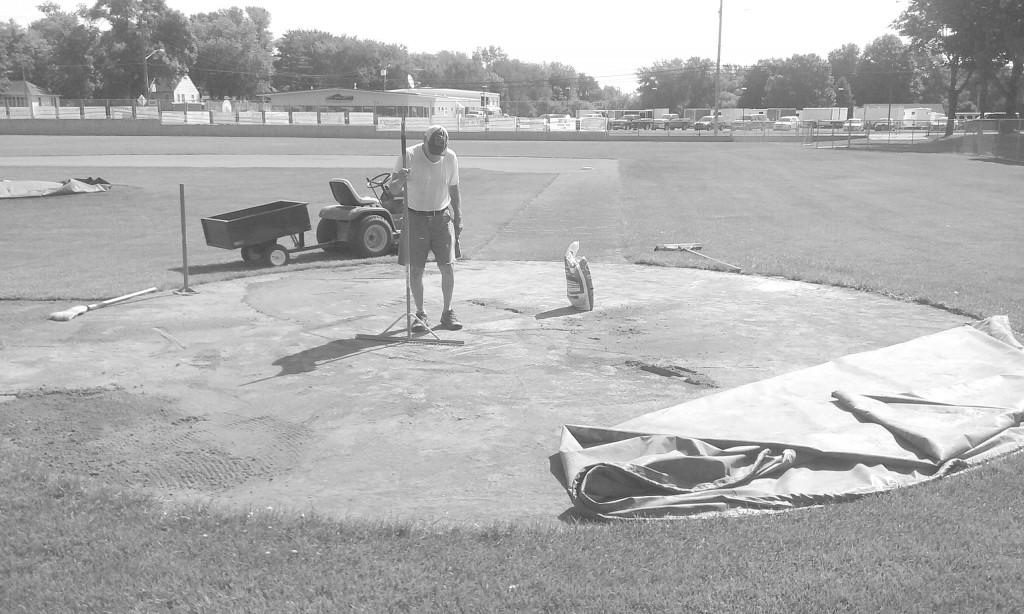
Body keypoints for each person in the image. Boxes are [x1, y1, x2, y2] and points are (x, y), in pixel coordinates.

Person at [388, 124, 463, 331]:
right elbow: (392, 189)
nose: (437, 155)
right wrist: (400, 180)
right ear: (424, 141)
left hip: (442, 217)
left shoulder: (450, 157)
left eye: (441, 150)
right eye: (433, 150)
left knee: (448, 267)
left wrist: (458, 215)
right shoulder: (408, 156)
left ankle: (447, 313)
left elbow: (454, 186)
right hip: (415, 218)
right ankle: (420, 314)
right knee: (416, 271)